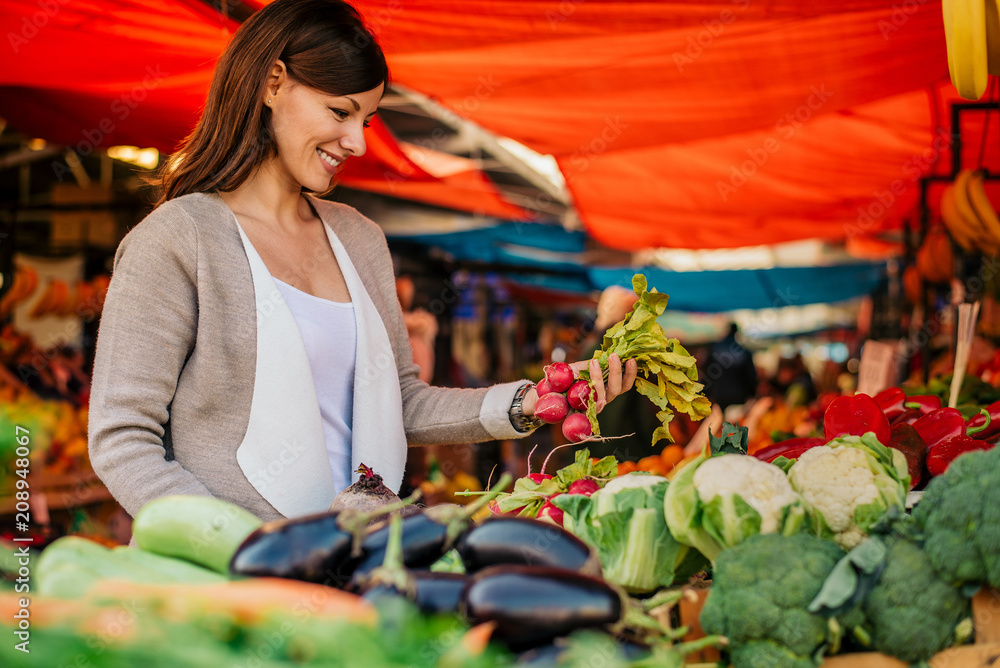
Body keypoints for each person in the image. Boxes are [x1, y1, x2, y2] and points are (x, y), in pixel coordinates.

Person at [86, 0, 637, 524]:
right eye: (340, 112)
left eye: (367, 120)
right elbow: (123, 439)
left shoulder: (360, 238)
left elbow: (399, 404)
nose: (357, 142)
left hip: (360, 561)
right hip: (229, 587)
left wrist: (530, 401)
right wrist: (231, 547)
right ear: (272, 83)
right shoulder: (178, 239)